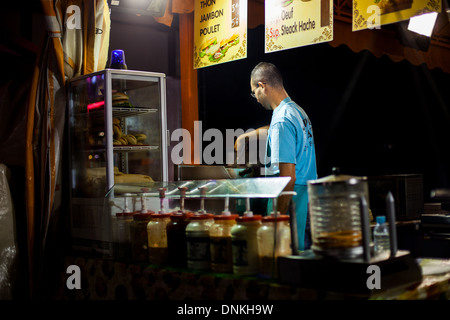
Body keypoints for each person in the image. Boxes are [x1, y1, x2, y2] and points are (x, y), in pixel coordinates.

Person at [235, 62, 317, 251]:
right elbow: (276, 131)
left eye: (254, 91)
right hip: (309, 199)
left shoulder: (281, 120)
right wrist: (249, 135)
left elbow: (288, 177)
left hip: (293, 204)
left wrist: (276, 219)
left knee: (290, 265)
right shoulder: (297, 111)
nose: (255, 98)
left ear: (262, 86)